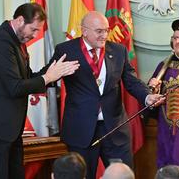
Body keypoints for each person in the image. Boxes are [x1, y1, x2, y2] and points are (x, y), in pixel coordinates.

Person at [0, 3, 79, 179]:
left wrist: (56, 70)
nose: (35, 35)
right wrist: (48, 77)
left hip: (10, 128)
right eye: (33, 30)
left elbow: (27, 78)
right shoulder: (0, 41)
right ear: (20, 20)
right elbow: (15, 87)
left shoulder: (17, 39)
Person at [47, 11, 163, 179]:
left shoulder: (118, 50)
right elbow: (48, 76)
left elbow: (130, 81)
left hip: (115, 128)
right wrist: (51, 76)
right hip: (82, 130)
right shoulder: (66, 50)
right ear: (84, 31)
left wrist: (147, 97)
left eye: (107, 30)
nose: (104, 35)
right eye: (99, 31)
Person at [148, 19, 179, 178]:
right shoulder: (163, 67)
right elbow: (152, 102)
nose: (178, 41)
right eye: (175, 38)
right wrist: (153, 89)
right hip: (168, 132)